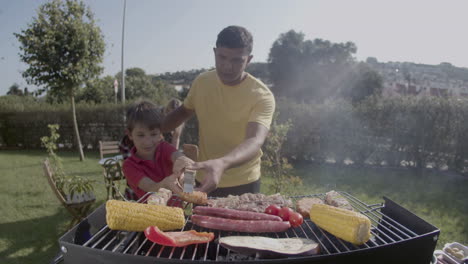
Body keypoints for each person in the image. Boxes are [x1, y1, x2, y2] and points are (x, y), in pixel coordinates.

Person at [161, 25, 275, 197]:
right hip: (203, 176)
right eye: (222, 57)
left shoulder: (262, 95)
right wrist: (152, 127)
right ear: (215, 52)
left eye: (237, 60)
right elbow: (183, 112)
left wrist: (222, 163)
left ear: (249, 59)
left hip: (244, 182)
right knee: (197, 224)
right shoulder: (202, 82)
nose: (227, 66)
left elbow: (255, 139)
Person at [122, 100, 192, 199]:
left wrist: (184, 165)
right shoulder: (129, 166)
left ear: (160, 133)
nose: (148, 142)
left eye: (153, 134)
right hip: (149, 212)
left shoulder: (164, 148)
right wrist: (164, 184)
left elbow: (177, 156)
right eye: (141, 135)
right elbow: (151, 187)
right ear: (130, 134)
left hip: (180, 211)